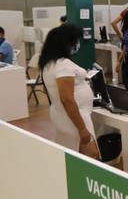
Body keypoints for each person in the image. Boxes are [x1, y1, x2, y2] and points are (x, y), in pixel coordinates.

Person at [39, 23, 98, 158]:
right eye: (75, 41)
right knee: (90, 154)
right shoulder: (63, 66)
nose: (77, 44)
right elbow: (67, 99)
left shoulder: (49, 64)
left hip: (62, 114)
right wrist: (82, 129)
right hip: (76, 117)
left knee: (73, 152)